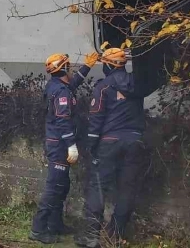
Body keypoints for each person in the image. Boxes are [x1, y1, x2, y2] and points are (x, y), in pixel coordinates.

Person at [74, 48, 147, 248]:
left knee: (98, 187)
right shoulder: (137, 84)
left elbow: (96, 118)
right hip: (134, 142)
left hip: (109, 143)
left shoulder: (104, 87)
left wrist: (91, 146)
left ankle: (91, 238)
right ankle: (114, 236)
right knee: (127, 189)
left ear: (108, 65)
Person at [29, 51, 100, 244]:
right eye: (68, 66)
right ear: (63, 69)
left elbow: (73, 84)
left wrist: (87, 66)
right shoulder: (60, 91)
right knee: (54, 187)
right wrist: (71, 146)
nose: (71, 69)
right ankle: (38, 229)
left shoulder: (59, 85)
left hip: (57, 144)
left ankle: (55, 224)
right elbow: (62, 121)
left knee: (62, 185)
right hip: (60, 146)